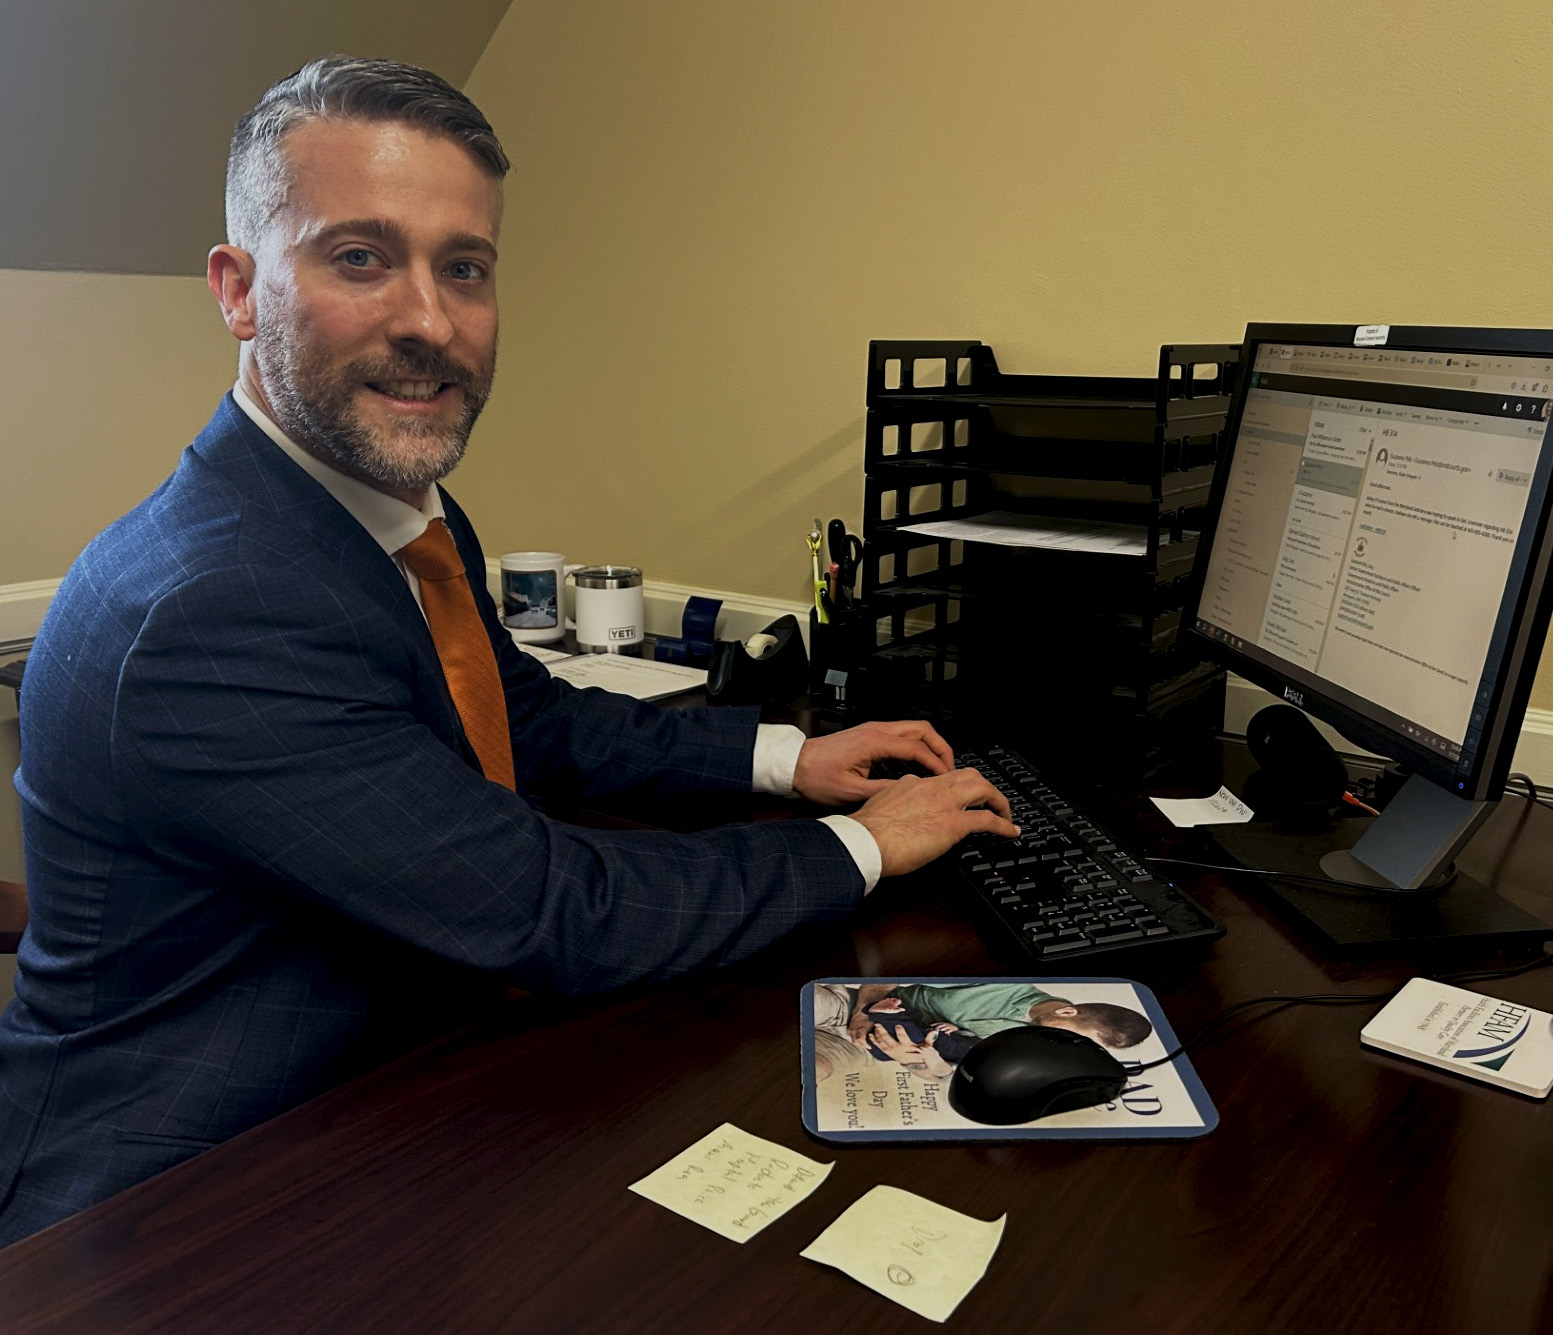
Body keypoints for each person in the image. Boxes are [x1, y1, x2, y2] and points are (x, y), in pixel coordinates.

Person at [0, 56, 1016, 1247]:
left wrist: (791, 762)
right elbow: (554, 908)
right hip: (186, 1195)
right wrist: (861, 848)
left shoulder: (393, 511)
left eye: (465, 267)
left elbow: (526, 716)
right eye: (360, 256)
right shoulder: (216, 608)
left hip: (400, 1082)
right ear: (238, 288)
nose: (430, 322)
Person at [846, 982, 1152, 1051]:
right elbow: (885, 973)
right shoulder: (1002, 983)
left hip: (900, 1037)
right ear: (1068, 1012)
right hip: (856, 1002)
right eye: (1071, 1037)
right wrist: (862, 1014)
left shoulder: (1035, 1039)